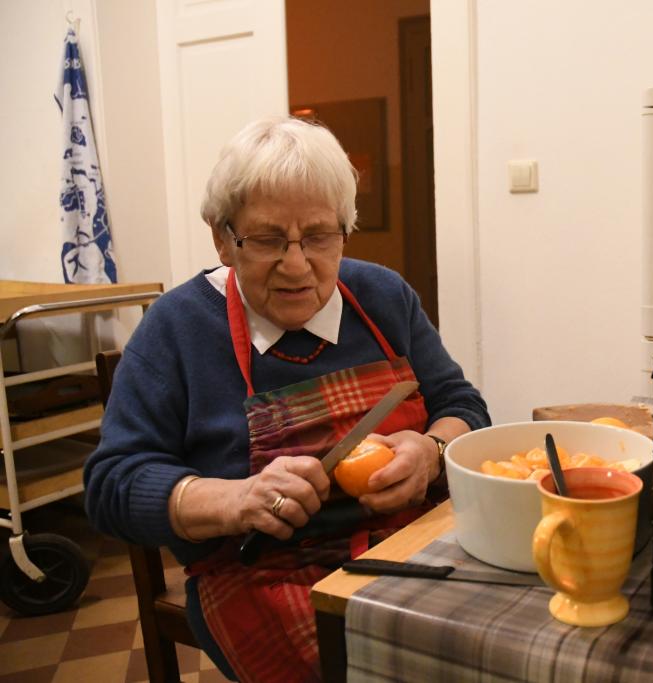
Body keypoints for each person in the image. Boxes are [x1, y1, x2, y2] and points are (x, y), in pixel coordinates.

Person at [84, 116, 490, 683]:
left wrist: (431, 449)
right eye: (269, 239)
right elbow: (111, 487)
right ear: (223, 238)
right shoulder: (176, 329)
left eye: (319, 236)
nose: (297, 265)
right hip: (260, 575)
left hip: (412, 545)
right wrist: (236, 499)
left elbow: (463, 404)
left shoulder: (384, 297)